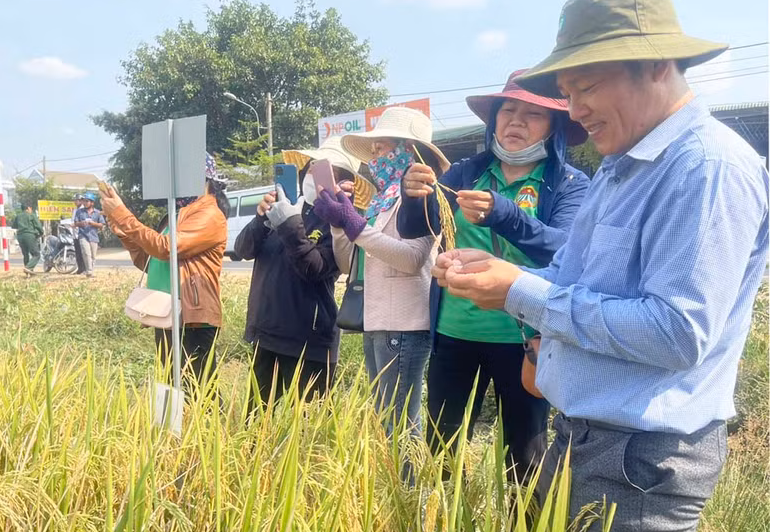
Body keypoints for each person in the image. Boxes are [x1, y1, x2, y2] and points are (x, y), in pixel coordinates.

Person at [433, 0, 768, 532]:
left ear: (657, 64)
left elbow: (676, 332)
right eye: (566, 92)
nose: (574, 108)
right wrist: (499, 278)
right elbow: (569, 277)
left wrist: (519, 292)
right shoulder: (621, 166)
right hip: (584, 435)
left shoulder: (707, 169)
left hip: (641, 459)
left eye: (585, 87)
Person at [400, 71, 590, 481]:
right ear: (494, 120)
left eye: (533, 114)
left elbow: (564, 250)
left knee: (525, 458)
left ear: (554, 125)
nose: (516, 121)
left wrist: (504, 214)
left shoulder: (568, 185)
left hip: (522, 341)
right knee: (440, 451)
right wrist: (412, 195)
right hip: (454, 334)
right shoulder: (466, 173)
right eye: (508, 110)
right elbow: (418, 228)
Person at [312, 108, 443, 447]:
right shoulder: (382, 201)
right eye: (373, 151)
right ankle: (397, 492)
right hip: (376, 322)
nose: (375, 158)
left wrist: (355, 226)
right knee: (386, 420)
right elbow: (346, 263)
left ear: (407, 151)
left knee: (400, 425)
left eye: (382, 148)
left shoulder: (423, 197)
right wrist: (340, 221)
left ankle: (412, 495)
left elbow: (413, 258)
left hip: (404, 325)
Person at [235, 137, 367, 410]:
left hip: (310, 341)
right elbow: (243, 249)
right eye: (310, 169)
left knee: (307, 433)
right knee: (256, 424)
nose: (313, 177)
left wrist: (289, 224)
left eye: (326, 172)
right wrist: (262, 218)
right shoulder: (286, 203)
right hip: (267, 330)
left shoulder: (342, 222)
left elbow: (316, 268)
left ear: (342, 182)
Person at [99, 154, 229, 384]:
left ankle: (208, 422)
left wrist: (122, 214)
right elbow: (150, 261)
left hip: (192, 316)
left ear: (204, 178)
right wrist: (121, 227)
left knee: (199, 389)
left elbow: (166, 248)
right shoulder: (177, 214)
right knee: (173, 383)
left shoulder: (209, 214)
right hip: (167, 311)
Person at [73, 192, 106, 277]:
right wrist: (82, 223)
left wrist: (92, 223)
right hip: (83, 235)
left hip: (93, 236)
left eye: (87, 201)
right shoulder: (79, 212)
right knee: (86, 253)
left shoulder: (97, 213)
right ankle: (89, 271)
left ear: (92, 203)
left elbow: (101, 225)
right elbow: (76, 223)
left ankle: (91, 271)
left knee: (93, 256)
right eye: (84, 201)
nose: (85, 203)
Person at [12, 204, 44, 275]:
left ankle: (29, 273)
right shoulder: (31, 215)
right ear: (28, 208)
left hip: (20, 236)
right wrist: (41, 233)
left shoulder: (18, 216)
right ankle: (28, 268)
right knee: (36, 254)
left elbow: (14, 226)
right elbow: (38, 226)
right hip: (29, 235)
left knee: (25, 254)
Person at [71, 193, 86, 274]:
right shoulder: (75, 210)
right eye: (75, 200)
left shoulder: (83, 210)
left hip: (82, 234)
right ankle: (80, 269)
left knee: (83, 252)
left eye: (77, 200)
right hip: (75, 234)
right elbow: (72, 220)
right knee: (77, 253)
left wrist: (76, 224)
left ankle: (84, 269)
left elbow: (84, 222)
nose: (75, 202)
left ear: (81, 201)